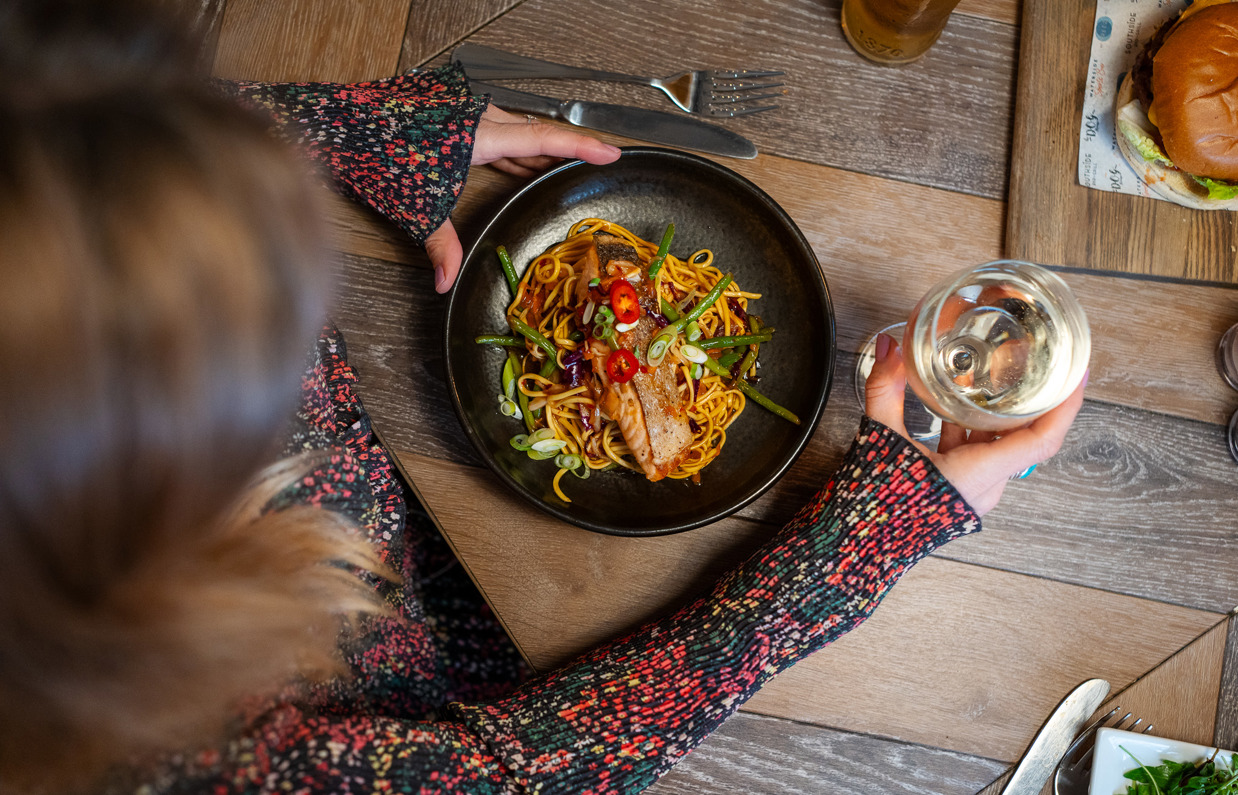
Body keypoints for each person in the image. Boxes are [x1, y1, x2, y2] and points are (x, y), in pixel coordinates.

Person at [0, 2, 1085, 794]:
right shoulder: (178, 764)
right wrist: (870, 533)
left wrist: (326, 130)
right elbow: (536, 769)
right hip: (446, 672)